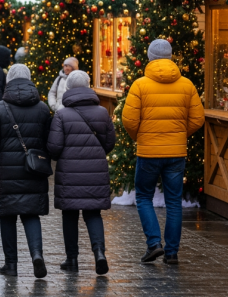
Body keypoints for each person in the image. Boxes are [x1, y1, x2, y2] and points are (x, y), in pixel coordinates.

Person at [122, 39, 204, 265]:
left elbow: (129, 120)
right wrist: (179, 135)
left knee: (144, 196)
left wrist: (140, 137)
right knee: (174, 202)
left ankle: (153, 244)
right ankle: (171, 252)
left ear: (149, 57)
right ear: (170, 57)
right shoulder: (186, 85)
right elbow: (198, 119)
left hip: (148, 151)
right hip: (176, 153)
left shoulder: (140, 85)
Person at [0, 64, 52, 279]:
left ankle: (11, 265)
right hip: (34, 171)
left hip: (5, 173)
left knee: (7, 216)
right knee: (31, 215)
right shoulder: (42, 108)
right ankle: (37, 255)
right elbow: (50, 141)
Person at [46, 70, 115, 275]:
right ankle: (99, 253)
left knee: (70, 214)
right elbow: (110, 142)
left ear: (68, 88)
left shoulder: (61, 114)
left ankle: (72, 259)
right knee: (93, 213)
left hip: (69, 173)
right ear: (87, 86)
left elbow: (54, 148)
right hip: (95, 171)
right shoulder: (102, 112)